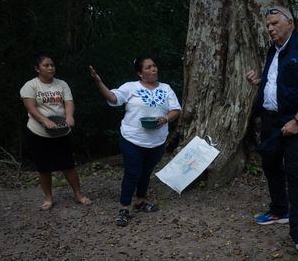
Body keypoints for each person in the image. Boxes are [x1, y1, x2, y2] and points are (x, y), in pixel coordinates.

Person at [245, 6, 298, 251]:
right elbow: (280, 82)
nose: (270, 28)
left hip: (292, 121)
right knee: (270, 165)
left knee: (295, 173)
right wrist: (258, 82)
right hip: (270, 120)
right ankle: (279, 210)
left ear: (290, 22)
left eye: (275, 23)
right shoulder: (274, 50)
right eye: (268, 25)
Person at [89, 55, 181, 227]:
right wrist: (98, 82)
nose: (153, 69)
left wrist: (164, 119)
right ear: (140, 73)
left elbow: (175, 109)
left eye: (154, 66)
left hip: (157, 141)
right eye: (148, 67)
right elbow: (113, 98)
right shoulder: (131, 87)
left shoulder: (166, 88)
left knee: (145, 173)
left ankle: (140, 201)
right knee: (133, 173)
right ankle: (124, 208)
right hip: (132, 138)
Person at [20, 52, 91, 211]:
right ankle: (48, 198)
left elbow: (68, 102)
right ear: (37, 69)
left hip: (61, 130)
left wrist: (69, 116)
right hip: (39, 132)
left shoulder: (62, 84)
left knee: (68, 165)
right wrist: (45, 120)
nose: (50, 68)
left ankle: (78, 194)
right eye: (46, 65)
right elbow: (31, 108)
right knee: (43, 167)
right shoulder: (30, 86)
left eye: (52, 65)